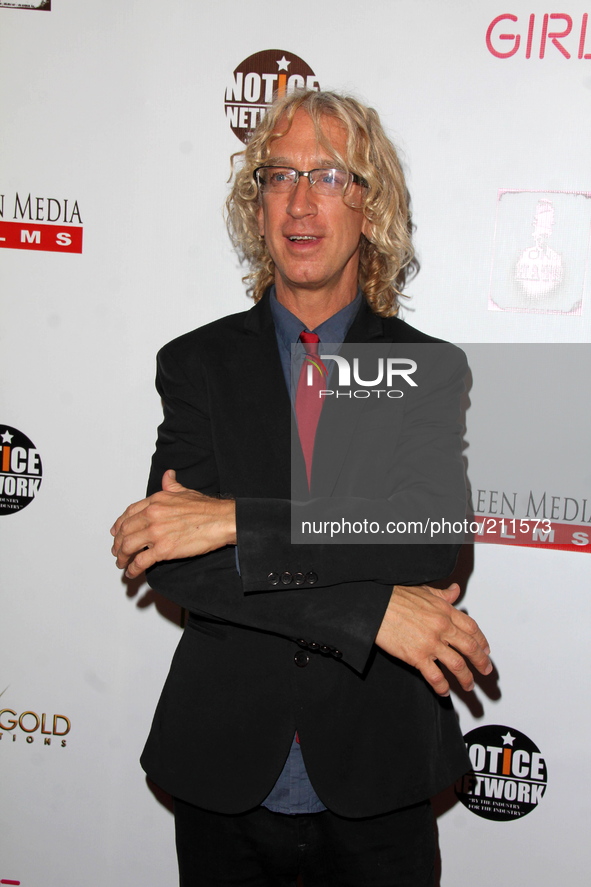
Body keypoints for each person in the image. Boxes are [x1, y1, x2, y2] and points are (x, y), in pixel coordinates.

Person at [111, 90, 492, 887]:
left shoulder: (423, 367)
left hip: (377, 764)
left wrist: (232, 519)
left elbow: (424, 537)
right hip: (223, 762)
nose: (300, 201)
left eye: (328, 175)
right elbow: (176, 560)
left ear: (370, 206)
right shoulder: (197, 363)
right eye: (279, 175)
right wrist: (369, 611)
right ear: (256, 207)